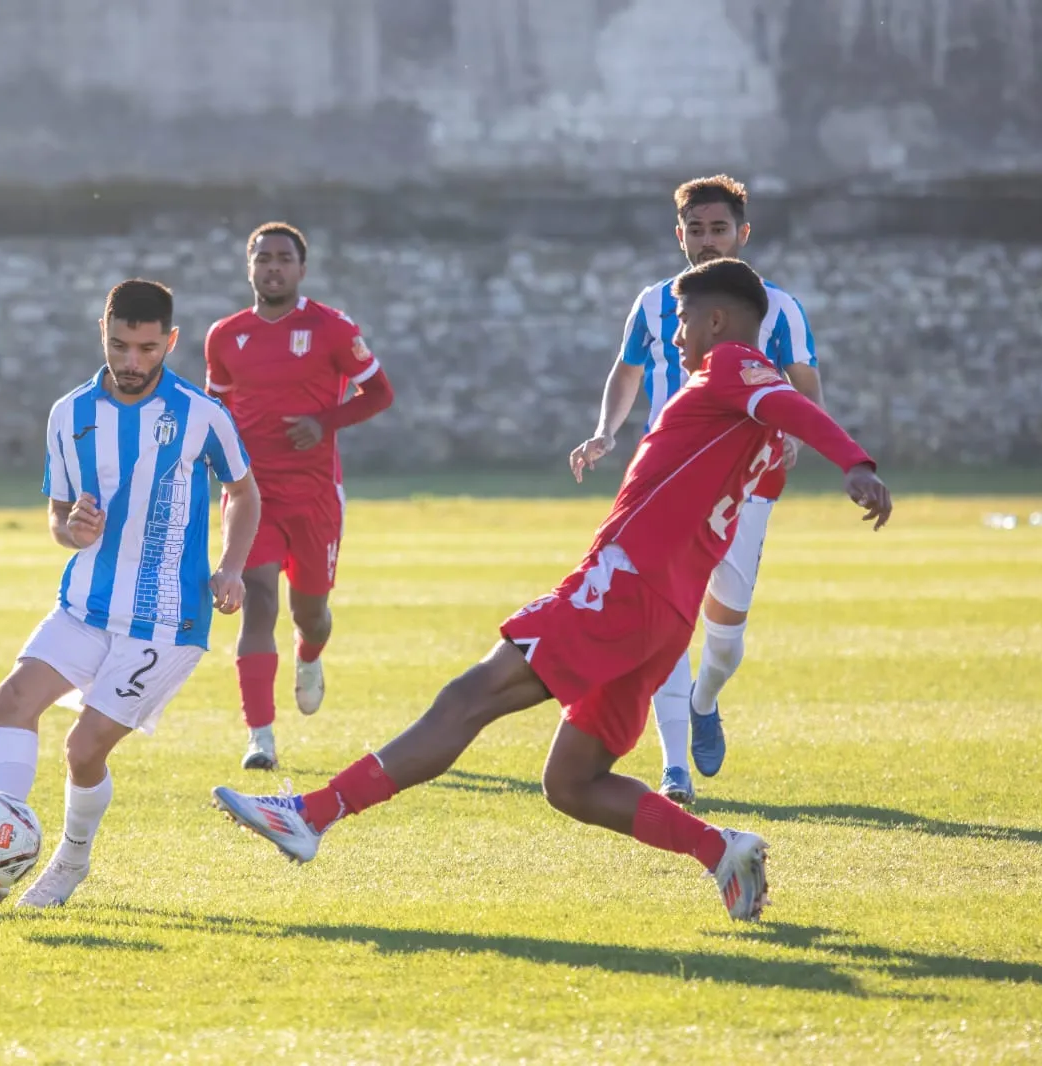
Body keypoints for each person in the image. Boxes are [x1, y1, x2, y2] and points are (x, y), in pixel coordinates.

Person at [212, 259, 891, 922]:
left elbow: (789, 402)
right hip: (666, 611)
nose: (676, 336)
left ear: (717, 321)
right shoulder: (749, 411)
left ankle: (311, 814)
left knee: (470, 696)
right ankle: (723, 851)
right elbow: (777, 422)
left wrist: (855, 463)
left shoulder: (734, 368)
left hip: (626, 586)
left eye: (683, 322)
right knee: (572, 782)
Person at [0, 278, 260, 907]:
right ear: (102, 333)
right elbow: (57, 515)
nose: (132, 362)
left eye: (148, 349)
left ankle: (70, 864)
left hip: (165, 620)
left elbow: (243, 491)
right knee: (15, 696)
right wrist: (69, 529)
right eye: (120, 345)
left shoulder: (200, 414)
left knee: (82, 750)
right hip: (85, 604)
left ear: (171, 342)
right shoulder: (69, 414)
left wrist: (231, 566)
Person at [568, 174, 827, 805]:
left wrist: (796, 432)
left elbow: (804, 382)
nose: (708, 242)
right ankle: (674, 768)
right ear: (679, 234)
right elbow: (627, 369)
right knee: (664, 618)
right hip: (664, 480)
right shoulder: (654, 303)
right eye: (697, 230)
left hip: (748, 481)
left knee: (725, 628)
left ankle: (706, 698)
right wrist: (605, 431)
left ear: (744, 233)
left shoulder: (779, 306)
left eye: (720, 229)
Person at [204, 222, 396, 770]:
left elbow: (380, 393)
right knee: (256, 601)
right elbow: (215, 410)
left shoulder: (332, 329)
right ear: (249, 267)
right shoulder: (224, 336)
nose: (273, 267)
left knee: (310, 614)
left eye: (283, 258)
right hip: (250, 494)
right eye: (262, 258)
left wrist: (323, 421)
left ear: (301, 269)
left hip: (314, 498)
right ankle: (259, 738)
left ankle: (309, 657)